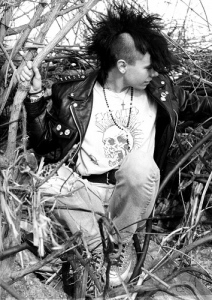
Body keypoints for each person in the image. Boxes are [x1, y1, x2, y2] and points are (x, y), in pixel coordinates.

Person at [20, 2, 212, 288]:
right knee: (45, 180)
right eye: (148, 67)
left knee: (140, 164)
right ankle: (97, 250)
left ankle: (117, 245)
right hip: (86, 194)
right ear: (122, 65)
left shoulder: (162, 91)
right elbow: (43, 143)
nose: (154, 73)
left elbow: (202, 106)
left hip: (131, 198)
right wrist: (34, 95)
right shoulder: (73, 95)